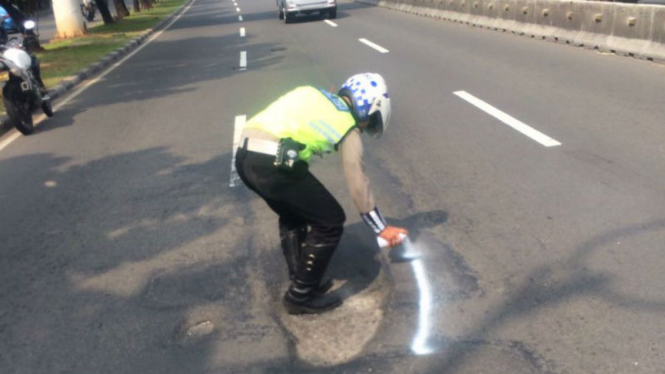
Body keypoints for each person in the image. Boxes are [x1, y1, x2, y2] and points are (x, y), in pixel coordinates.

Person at [234, 73, 408, 315]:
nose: (365, 127)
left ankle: (302, 279)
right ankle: (299, 296)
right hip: (272, 163)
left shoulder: (312, 91)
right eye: (370, 120)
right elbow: (358, 182)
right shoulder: (347, 126)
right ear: (367, 107)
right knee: (331, 220)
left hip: (244, 157)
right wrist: (381, 228)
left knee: (293, 214)